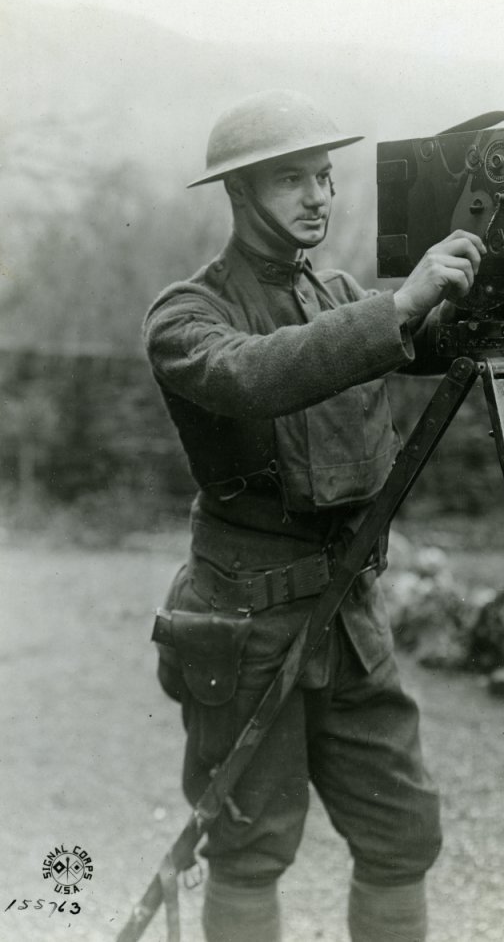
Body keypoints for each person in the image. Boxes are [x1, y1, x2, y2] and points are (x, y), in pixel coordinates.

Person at [143, 89, 485, 942]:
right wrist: (399, 307)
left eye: (325, 177)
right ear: (239, 194)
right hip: (244, 622)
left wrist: (489, 288)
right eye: (291, 179)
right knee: (251, 845)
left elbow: (419, 338)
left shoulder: (335, 293)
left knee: (404, 831)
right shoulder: (185, 315)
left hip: (345, 608)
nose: (318, 197)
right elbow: (259, 372)